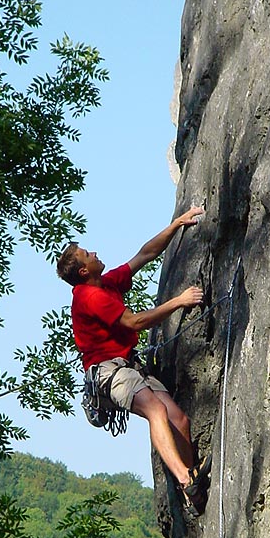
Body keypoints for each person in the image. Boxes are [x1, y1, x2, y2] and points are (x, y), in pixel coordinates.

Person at [56, 206, 211, 515]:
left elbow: (144, 255)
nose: (94, 252)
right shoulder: (90, 297)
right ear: (84, 271)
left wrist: (176, 224)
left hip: (128, 365)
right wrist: (179, 301)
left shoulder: (106, 283)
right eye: (88, 254)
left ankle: (191, 486)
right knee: (155, 410)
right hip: (108, 372)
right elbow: (135, 322)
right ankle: (184, 478)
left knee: (179, 419)